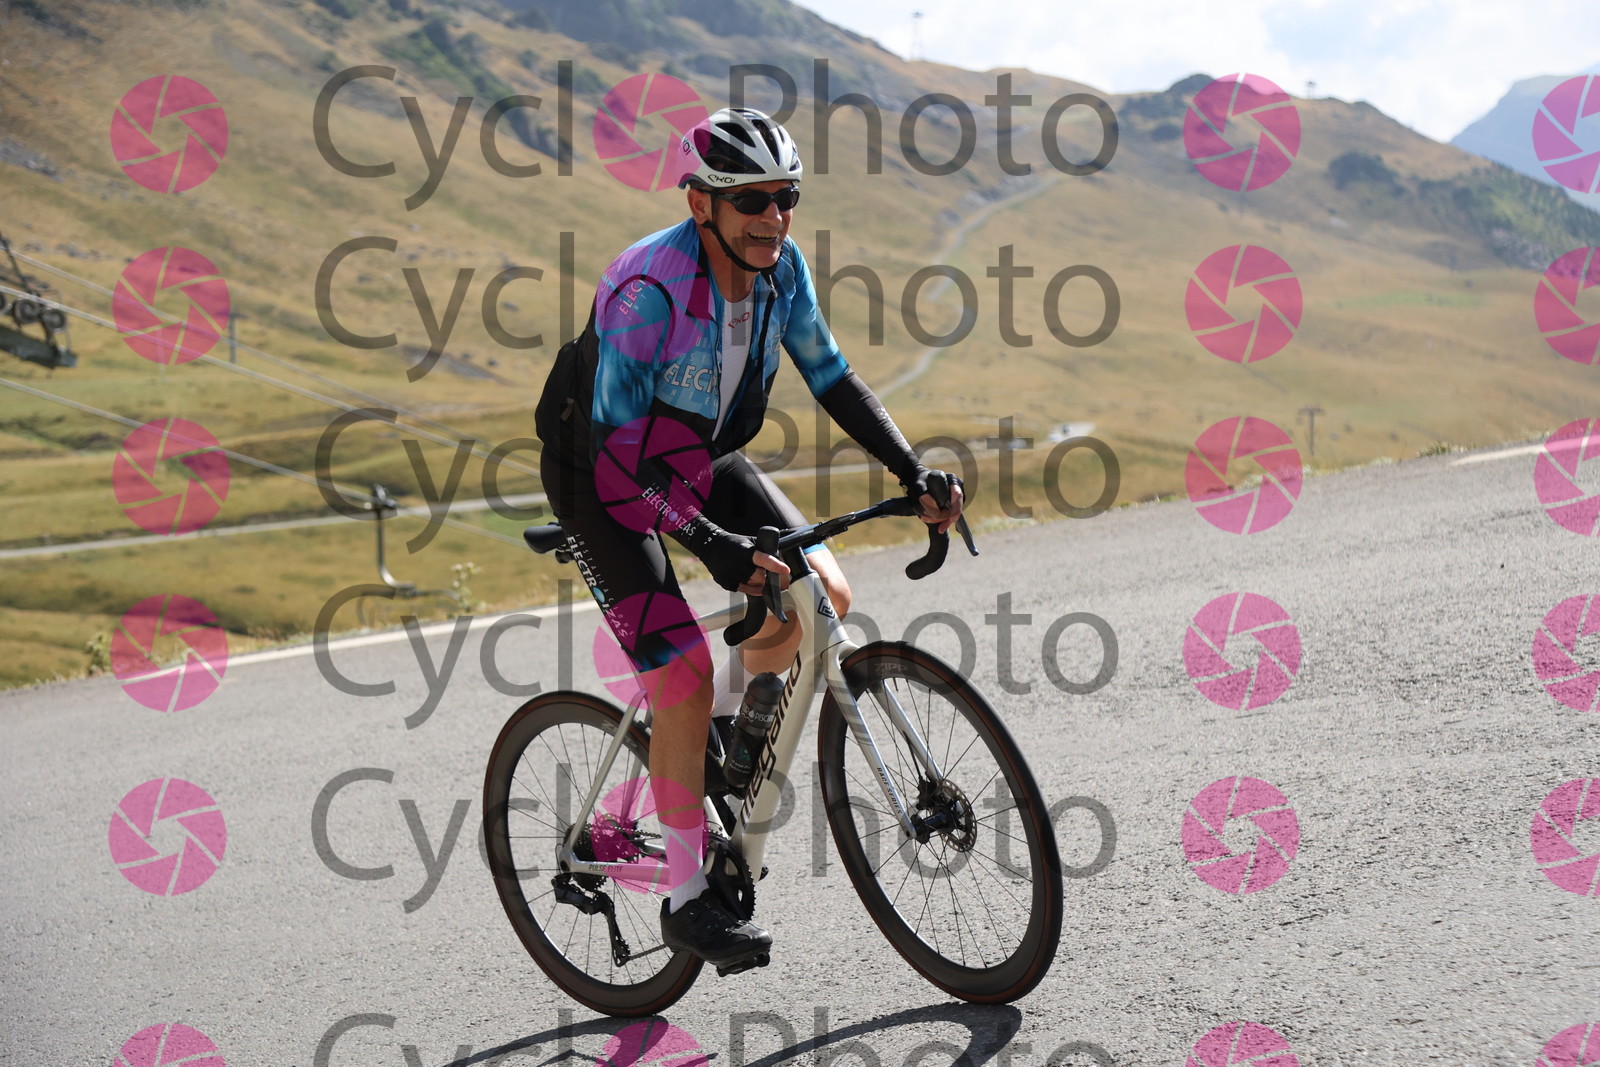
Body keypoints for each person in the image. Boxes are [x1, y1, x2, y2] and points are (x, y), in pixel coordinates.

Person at [535, 107, 963, 970]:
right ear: (701, 203)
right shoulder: (645, 291)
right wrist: (713, 542)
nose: (774, 216)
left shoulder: (781, 269)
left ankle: (717, 738)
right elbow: (619, 458)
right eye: (752, 200)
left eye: (786, 198)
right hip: (604, 475)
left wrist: (912, 469)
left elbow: (832, 377)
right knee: (682, 673)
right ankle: (687, 895)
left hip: (699, 454)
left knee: (824, 593)